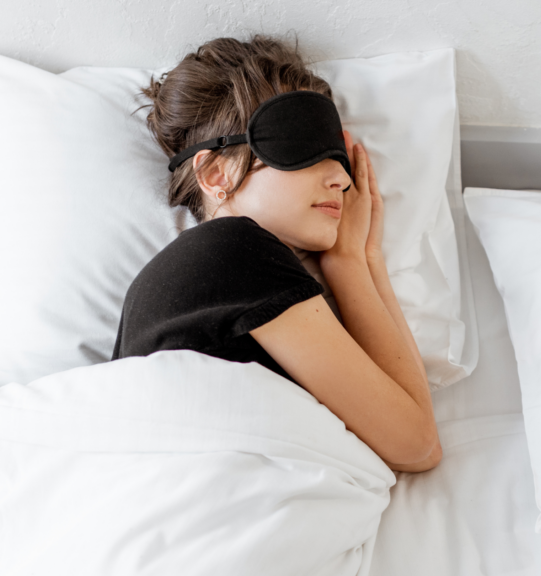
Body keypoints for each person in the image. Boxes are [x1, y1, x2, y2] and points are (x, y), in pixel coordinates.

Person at [111, 34, 441, 473]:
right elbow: (415, 445)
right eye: (303, 145)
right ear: (214, 173)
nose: (341, 180)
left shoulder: (204, 270)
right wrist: (349, 264)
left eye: (339, 157)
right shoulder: (232, 250)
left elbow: (416, 430)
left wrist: (365, 255)